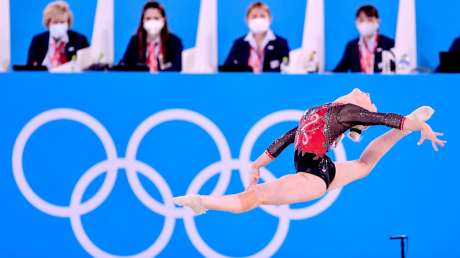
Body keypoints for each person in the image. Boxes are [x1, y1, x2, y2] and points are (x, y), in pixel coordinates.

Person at [174, 88, 446, 215]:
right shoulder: (334, 111)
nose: (365, 93)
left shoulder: (332, 110)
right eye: (366, 96)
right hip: (315, 173)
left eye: (368, 98)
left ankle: (203, 202)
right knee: (254, 198)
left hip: (314, 175)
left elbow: (386, 117)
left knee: (365, 165)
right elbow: (287, 138)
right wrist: (257, 165)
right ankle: (204, 202)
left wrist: (417, 125)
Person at [222, 2, 290, 73]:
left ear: (270, 19)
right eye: (254, 16)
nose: (258, 19)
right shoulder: (239, 44)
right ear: (247, 19)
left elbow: (287, 64)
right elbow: (227, 69)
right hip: (244, 83)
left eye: (262, 16)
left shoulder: (281, 43)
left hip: (272, 83)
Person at [119, 1, 183, 72]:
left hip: (165, 82)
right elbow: (123, 65)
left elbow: (178, 67)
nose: (152, 22)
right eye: (148, 18)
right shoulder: (135, 41)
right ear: (143, 21)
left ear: (163, 20)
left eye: (156, 18)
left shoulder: (174, 42)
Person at [27, 1, 89, 69]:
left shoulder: (80, 40)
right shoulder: (38, 41)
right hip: (44, 78)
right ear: (48, 23)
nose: (59, 25)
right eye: (55, 22)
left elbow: (88, 67)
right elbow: (29, 69)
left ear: (68, 22)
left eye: (62, 22)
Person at [334, 5, 394, 73]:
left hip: (382, 83)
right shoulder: (351, 46)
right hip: (358, 83)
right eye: (362, 20)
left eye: (370, 19)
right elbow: (339, 71)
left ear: (378, 21)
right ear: (356, 23)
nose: (366, 23)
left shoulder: (389, 44)